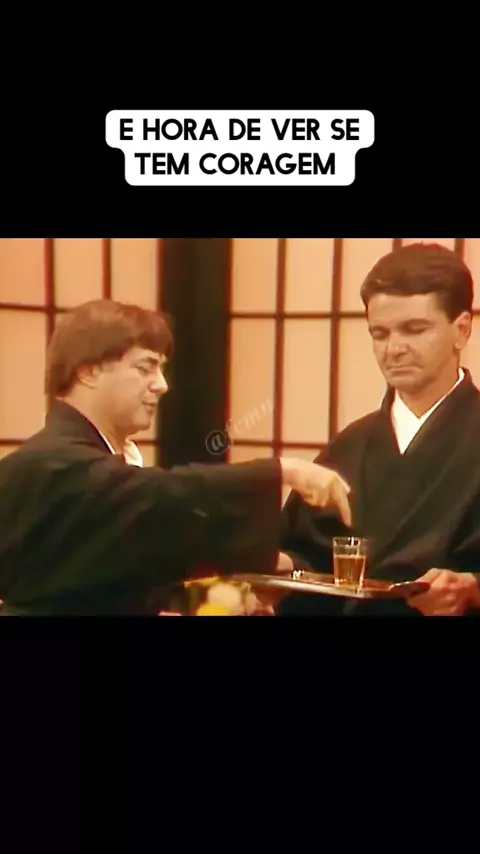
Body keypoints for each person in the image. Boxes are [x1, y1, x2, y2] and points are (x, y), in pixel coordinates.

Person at [0, 299, 352, 616]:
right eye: (145, 368)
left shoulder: (98, 464)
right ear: (88, 372)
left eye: (161, 369)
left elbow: (120, 571)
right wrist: (281, 471)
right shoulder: (50, 465)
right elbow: (161, 495)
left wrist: (223, 596)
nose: (161, 384)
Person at [277, 242, 480, 616]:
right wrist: (279, 567)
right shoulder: (351, 446)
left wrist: (472, 589)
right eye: (380, 333)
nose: (394, 348)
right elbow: (306, 555)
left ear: (462, 330)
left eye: (414, 330)